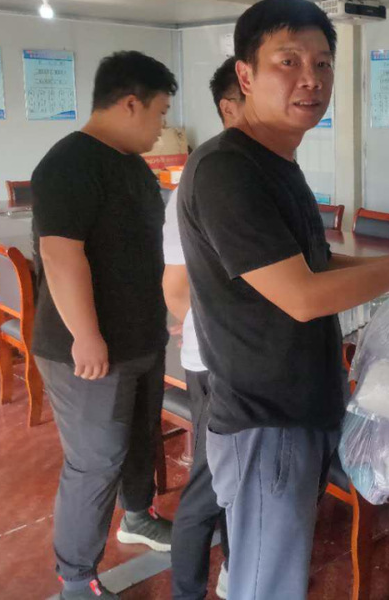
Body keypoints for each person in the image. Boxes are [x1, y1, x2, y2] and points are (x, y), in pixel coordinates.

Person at [177, 0, 389, 600]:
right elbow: (304, 297)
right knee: (267, 585)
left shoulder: (276, 162)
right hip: (266, 419)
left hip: (297, 409)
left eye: (323, 63)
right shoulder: (227, 171)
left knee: (268, 574)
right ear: (245, 76)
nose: (311, 79)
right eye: (288, 61)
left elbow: (315, 264)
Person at [31, 51, 178, 600]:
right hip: (87, 348)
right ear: (131, 103)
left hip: (139, 339)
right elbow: (61, 255)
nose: (162, 126)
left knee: (139, 441)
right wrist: (86, 336)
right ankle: (75, 577)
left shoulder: (132, 166)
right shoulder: (69, 163)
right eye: (160, 112)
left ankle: (137, 518)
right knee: (95, 462)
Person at [164, 57, 243, 599]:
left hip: (246, 360)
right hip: (217, 364)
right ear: (229, 107)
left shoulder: (263, 172)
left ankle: (236, 570)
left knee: (235, 478)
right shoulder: (204, 178)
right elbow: (175, 289)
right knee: (210, 482)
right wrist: (207, 328)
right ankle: (187, 588)